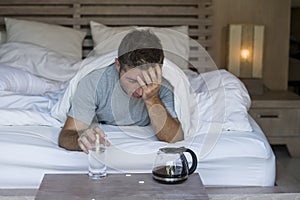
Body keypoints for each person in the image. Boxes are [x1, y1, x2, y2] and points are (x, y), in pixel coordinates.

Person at [58, 29, 183, 153]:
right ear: (118, 65)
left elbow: (173, 139)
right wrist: (80, 140)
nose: (140, 92)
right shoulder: (94, 82)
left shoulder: (161, 86)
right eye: (132, 81)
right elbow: (67, 135)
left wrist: (152, 98)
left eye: (146, 82)